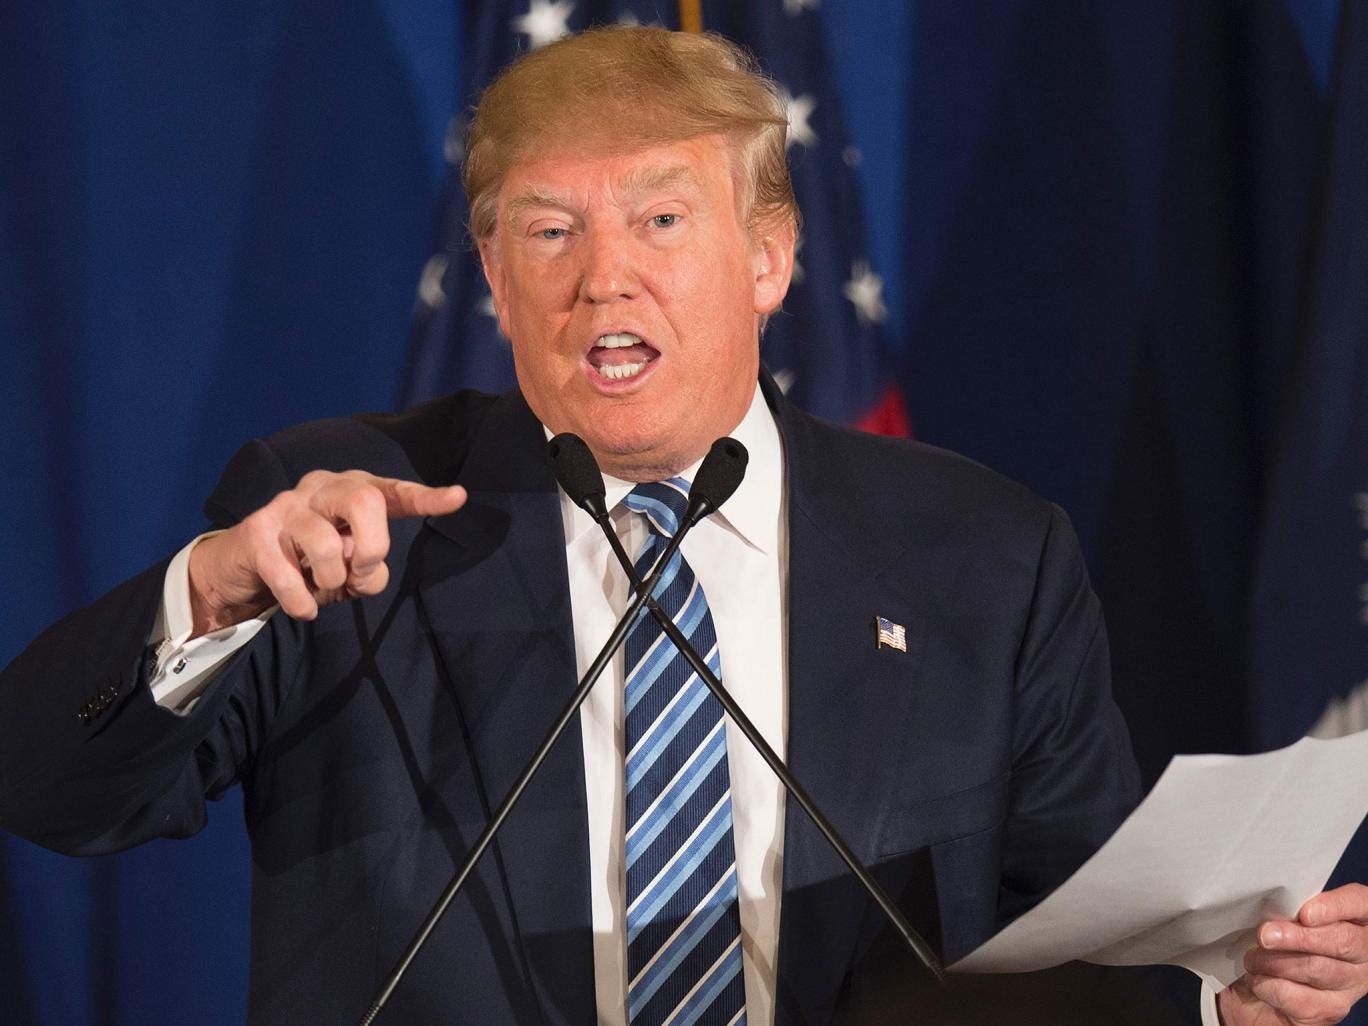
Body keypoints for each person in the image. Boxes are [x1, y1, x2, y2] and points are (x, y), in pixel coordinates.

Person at [2, 25, 1366, 1026]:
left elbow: (1086, 942)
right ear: (490, 270)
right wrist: (209, 597)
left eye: (662, 217)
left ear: (767, 256)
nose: (605, 277)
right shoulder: (343, 522)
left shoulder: (985, 556)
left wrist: (1219, 1000)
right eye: (547, 231)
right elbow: (45, 790)